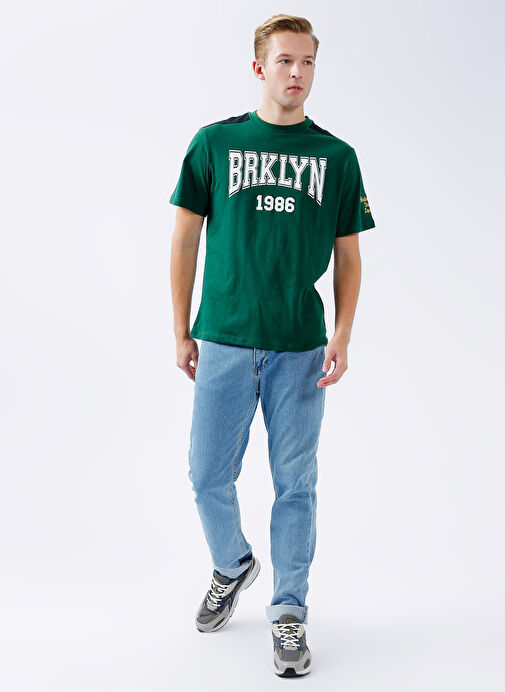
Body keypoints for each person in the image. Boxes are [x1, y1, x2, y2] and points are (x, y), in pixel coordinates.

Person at [169, 13, 376, 677]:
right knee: (206, 475)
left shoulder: (336, 158)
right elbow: (184, 238)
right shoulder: (214, 144)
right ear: (259, 67)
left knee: (295, 485)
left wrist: (342, 332)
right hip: (224, 338)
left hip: (298, 346)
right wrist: (181, 326)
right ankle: (232, 565)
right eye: (285, 60)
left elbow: (348, 255)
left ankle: (288, 611)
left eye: (307, 61)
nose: (297, 73)